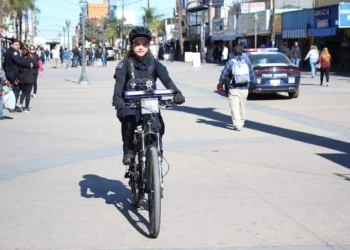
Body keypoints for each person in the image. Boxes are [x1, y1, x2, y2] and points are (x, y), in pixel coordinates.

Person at [112, 26, 185, 165]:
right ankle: (128, 151)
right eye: (137, 44)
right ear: (131, 45)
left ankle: (156, 154)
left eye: (144, 44)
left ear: (148, 46)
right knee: (129, 121)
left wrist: (177, 93)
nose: (141, 47)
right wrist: (117, 98)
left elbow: (167, 79)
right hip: (129, 103)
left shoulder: (156, 63)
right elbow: (119, 82)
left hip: (150, 103)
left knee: (158, 126)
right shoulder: (124, 64)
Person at [217, 46, 256, 131]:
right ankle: (241, 122)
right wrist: (253, 86)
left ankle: (237, 124)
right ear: (242, 53)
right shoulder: (246, 62)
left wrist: (220, 83)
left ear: (233, 53)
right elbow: (252, 74)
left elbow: (224, 74)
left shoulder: (230, 62)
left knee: (234, 107)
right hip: (244, 88)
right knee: (242, 106)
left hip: (233, 87)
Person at [4, 39, 34, 112]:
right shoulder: (13, 52)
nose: (17, 46)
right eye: (16, 45)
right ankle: (12, 106)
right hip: (11, 73)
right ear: (11, 45)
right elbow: (19, 61)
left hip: (9, 72)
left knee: (9, 89)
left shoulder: (9, 51)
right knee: (16, 88)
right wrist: (28, 65)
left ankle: (8, 104)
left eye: (18, 45)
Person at [17, 48, 37, 113]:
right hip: (29, 78)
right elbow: (37, 66)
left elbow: (17, 69)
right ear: (28, 53)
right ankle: (26, 108)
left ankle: (20, 104)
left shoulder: (19, 60)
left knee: (23, 92)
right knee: (28, 93)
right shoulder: (30, 60)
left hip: (21, 78)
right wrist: (32, 65)